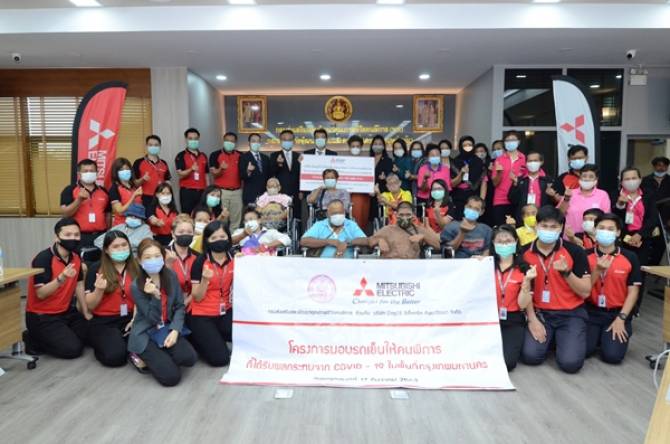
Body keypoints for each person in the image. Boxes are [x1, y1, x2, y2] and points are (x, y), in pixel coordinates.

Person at [521, 205, 592, 374]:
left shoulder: (575, 251)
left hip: (571, 313)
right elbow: (524, 290)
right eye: (544, 226)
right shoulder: (524, 252)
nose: (548, 230)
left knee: (570, 364)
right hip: (540, 314)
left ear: (561, 228)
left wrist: (567, 273)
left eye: (553, 227)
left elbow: (585, 291)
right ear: (536, 226)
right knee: (530, 357)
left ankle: (561, 339)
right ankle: (555, 339)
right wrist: (532, 319)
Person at [129, 239, 197, 386]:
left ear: (163, 257)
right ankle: (137, 354)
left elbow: (179, 306)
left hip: (165, 326)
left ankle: (161, 352)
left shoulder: (171, 275)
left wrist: (175, 330)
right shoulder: (136, 286)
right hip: (146, 331)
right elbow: (152, 318)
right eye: (148, 257)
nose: (153, 260)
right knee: (171, 377)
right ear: (139, 261)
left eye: (157, 256)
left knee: (189, 358)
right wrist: (155, 296)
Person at [24, 218, 90, 358]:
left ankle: (61, 333)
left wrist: (85, 311)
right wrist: (61, 278)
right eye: (68, 235)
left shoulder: (76, 257)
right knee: (73, 350)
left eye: (76, 235)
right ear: (57, 237)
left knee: (92, 333)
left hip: (66, 311)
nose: (73, 238)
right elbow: (41, 294)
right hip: (42, 316)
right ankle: (32, 338)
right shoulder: (43, 259)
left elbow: (79, 284)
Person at [585, 213, 641, 364]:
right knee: (584, 351)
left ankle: (606, 337)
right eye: (601, 228)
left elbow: (633, 291)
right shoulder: (585, 255)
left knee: (612, 356)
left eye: (611, 229)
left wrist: (621, 318)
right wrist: (597, 270)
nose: (605, 232)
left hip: (617, 313)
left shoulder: (630, 257)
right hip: (591, 312)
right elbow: (583, 290)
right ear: (595, 230)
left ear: (618, 232)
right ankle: (598, 337)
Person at [85, 230, 138, 367]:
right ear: (106, 250)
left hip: (131, 319)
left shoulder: (137, 268)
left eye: (124, 245)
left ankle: (123, 341)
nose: (121, 249)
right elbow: (90, 306)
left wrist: (135, 320)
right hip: (104, 321)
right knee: (115, 358)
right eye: (115, 246)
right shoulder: (96, 269)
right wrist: (99, 290)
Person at [188, 220, 235, 366]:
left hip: (225, 310)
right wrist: (205, 280)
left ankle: (214, 337)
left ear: (228, 237)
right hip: (202, 314)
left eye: (222, 236)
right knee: (221, 360)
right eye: (213, 238)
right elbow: (197, 297)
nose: (219, 240)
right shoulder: (200, 262)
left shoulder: (235, 258)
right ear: (207, 241)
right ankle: (195, 338)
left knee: (246, 336)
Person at [490, 224, 536, 370]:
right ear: (493, 243)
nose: (504, 244)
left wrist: (527, 282)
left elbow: (522, 304)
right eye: (500, 241)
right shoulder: (486, 265)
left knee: (507, 363)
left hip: (513, 320)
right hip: (489, 318)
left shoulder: (525, 269)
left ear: (516, 242)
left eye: (508, 241)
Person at [60, 158, 110, 250]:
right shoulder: (69, 190)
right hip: (78, 236)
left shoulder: (104, 191)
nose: (89, 173)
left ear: (96, 173)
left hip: (101, 236)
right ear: (79, 174)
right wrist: (79, 200)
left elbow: (108, 214)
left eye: (92, 171)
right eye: (85, 171)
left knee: (100, 259)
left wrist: (108, 232)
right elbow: (65, 214)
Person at [369, 201, 440, 259]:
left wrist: (424, 237)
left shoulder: (420, 230)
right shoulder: (387, 229)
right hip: (390, 266)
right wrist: (379, 240)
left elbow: (438, 246)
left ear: (413, 215)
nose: (404, 218)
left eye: (408, 215)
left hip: (412, 267)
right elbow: (368, 241)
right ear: (396, 215)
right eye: (401, 215)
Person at [300, 200, 368, 258]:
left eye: (340, 213)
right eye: (334, 213)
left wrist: (348, 243)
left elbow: (365, 241)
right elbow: (303, 241)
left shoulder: (351, 225)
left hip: (348, 264)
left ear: (344, 213)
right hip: (322, 265)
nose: (338, 216)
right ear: (327, 214)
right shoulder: (319, 225)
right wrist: (328, 242)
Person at [561, 164, 611, 236]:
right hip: (570, 236)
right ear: (579, 177)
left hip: (593, 237)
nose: (587, 179)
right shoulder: (570, 193)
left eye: (591, 177)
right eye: (584, 176)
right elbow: (560, 213)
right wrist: (566, 199)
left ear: (596, 179)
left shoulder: (603, 195)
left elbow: (606, 218)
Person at [508, 151, 557, 222]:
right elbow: (512, 200)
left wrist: (552, 196)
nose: (532, 163)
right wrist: (515, 185)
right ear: (526, 163)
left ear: (541, 162)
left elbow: (555, 203)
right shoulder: (520, 180)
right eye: (530, 161)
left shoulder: (548, 180)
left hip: (543, 217)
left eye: (535, 160)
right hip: (524, 217)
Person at [491, 131, 527, 227]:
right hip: (501, 200)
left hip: (518, 200)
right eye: (507, 140)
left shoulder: (524, 158)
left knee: (518, 230)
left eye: (513, 140)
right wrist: (499, 173)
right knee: (502, 230)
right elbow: (495, 183)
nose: (510, 142)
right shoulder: (499, 159)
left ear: (518, 142)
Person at [209, 131, 243, 229]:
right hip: (221, 192)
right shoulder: (215, 154)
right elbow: (214, 174)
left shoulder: (240, 155)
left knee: (236, 219)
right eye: (227, 140)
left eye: (232, 141)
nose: (229, 143)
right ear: (223, 141)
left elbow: (243, 174)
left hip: (237, 192)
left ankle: (234, 237)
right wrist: (221, 169)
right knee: (222, 218)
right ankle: (221, 236)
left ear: (235, 143)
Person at [641, 156, 670, 268]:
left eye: (664, 165)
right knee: (646, 242)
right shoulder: (645, 180)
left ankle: (654, 268)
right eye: (659, 165)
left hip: (665, 219)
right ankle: (644, 266)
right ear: (654, 166)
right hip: (648, 217)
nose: (661, 168)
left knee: (660, 245)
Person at [166, 214, 198, 308]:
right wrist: (168, 264)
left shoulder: (198, 257)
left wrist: (187, 302)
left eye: (189, 232)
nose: (185, 234)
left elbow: (199, 285)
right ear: (173, 234)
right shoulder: (163, 253)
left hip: (192, 304)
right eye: (181, 231)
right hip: (168, 304)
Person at [452, 135, 486, 220]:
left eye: (470, 145)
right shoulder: (455, 161)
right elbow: (452, 184)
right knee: (459, 221)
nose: (467, 147)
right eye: (465, 145)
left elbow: (483, 183)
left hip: (474, 197)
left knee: (473, 222)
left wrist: (481, 201)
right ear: (460, 147)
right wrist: (461, 173)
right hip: (458, 197)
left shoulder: (479, 162)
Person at [175, 128, 208, 215]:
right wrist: (191, 170)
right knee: (187, 217)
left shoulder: (203, 156)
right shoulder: (181, 155)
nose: (193, 141)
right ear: (186, 139)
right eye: (190, 138)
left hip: (202, 192)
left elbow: (206, 175)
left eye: (195, 139)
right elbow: (180, 174)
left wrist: (207, 191)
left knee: (201, 215)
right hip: (187, 192)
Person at [133, 135, 171, 208]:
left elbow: (167, 180)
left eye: (156, 145)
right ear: (146, 146)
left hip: (161, 197)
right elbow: (134, 184)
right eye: (150, 145)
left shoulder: (164, 163)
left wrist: (168, 185)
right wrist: (142, 179)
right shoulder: (138, 162)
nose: (153, 147)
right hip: (144, 198)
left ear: (160, 147)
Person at [347, 135, 372, 230]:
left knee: (362, 220)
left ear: (361, 147)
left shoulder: (367, 162)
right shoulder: (344, 162)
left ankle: (360, 238)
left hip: (363, 195)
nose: (355, 148)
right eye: (353, 146)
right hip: (349, 195)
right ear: (349, 147)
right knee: (351, 220)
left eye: (357, 146)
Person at [369, 135, 395, 229]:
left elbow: (391, 178)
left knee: (382, 217)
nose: (377, 146)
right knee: (371, 219)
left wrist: (385, 178)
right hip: (369, 193)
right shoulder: (368, 159)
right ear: (372, 146)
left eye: (380, 144)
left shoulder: (388, 160)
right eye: (375, 144)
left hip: (383, 192)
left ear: (383, 146)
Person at [109, 157, 143, 227]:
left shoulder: (135, 187)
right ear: (116, 172)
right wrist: (133, 196)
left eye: (127, 169)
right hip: (122, 226)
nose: (125, 171)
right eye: (121, 170)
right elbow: (120, 211)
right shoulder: (114, 188)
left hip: (138, 226)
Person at [239, 132, 270, 205]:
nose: (256, 143)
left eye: (258, 141)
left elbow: (269, 175)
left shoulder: (266, 158)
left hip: (265, 194)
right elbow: (241, 176)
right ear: (249, 143)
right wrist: (248, 171)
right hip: (250, 194)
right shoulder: (243, 157)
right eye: (253, 141)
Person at [270, 129, 301, 199]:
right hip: (280, 193)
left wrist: (301, 191)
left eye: (290, 140)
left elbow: (301, 175)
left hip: (296, 194)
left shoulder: (299, 156)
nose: (287, 142)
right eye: (284, 139)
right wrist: (279, 164)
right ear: (280, 141)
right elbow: (271, 173)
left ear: (294, 141)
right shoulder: (274, 155)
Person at [147, 182, 178, 246]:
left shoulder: (174, 210)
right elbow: (152, 219)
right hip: (157, 241)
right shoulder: (152, 208)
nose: (166, 196)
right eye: (163, 193)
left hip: (172, 240)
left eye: (168, 193)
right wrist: (157, 222)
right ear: (157, 194)